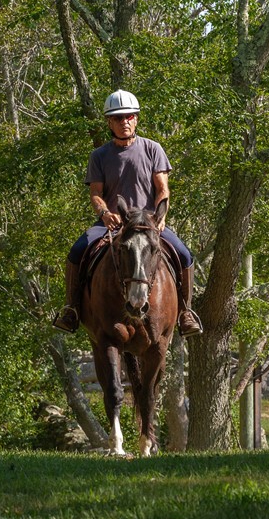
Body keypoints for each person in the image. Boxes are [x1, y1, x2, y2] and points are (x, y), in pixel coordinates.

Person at [53, 89, 202, 337]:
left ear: (137, 119)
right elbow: (96, 193)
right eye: (118, 118)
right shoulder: (99, 156)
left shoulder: (153, 149)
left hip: (147, 224)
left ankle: (186, 312)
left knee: (184, 255)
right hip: (113, 224)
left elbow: (162, 188)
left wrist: (160, 217)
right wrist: (104, 213)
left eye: (129, 117)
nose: (125, 122)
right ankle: (71, 309)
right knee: (78, 251)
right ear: (109, 122)